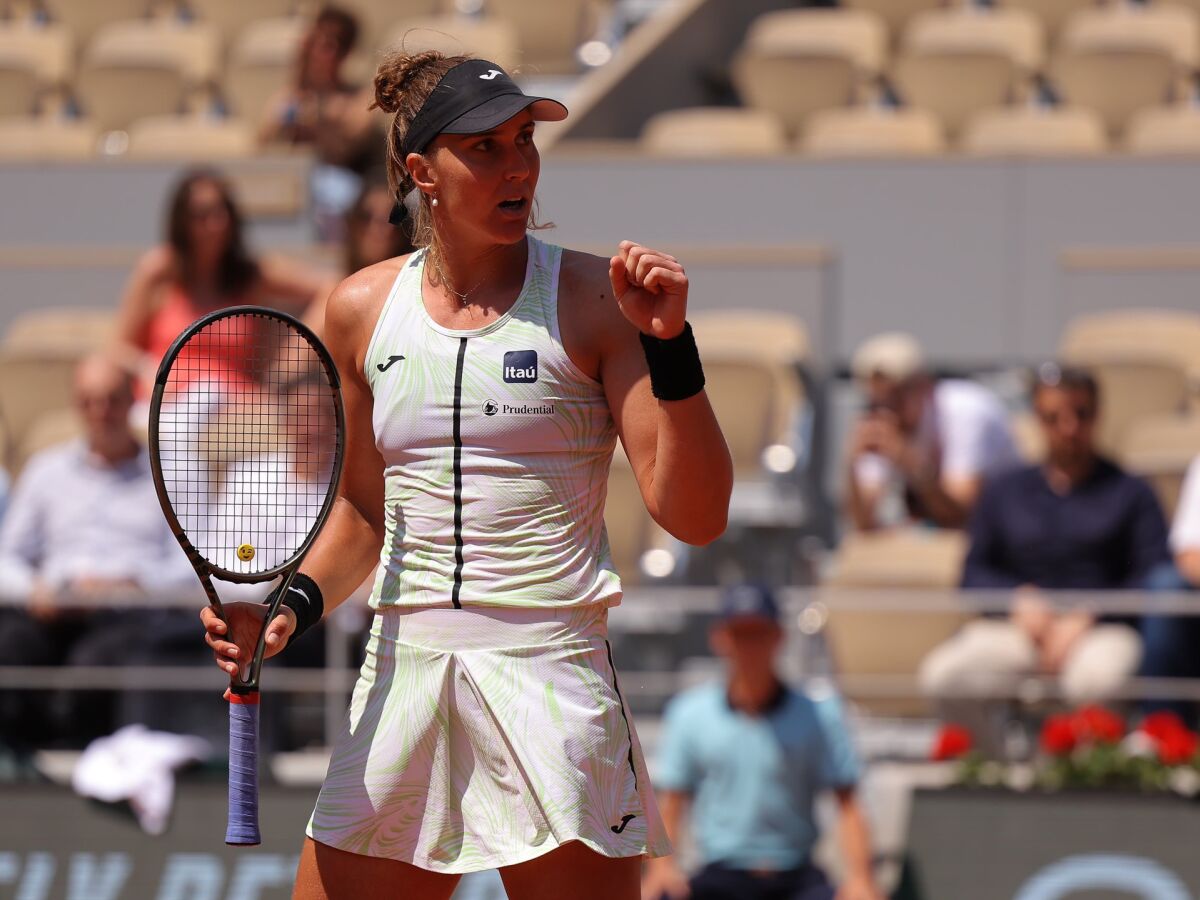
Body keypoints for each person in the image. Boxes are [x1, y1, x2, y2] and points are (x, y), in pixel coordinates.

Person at [200, 51, 733, 899]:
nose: (518, 163)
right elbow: (366, 521)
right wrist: (287, 610)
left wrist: (673, 347)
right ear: (423, 173)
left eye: (524, 140)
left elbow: (695, 515)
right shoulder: (358, 309)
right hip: (403, 675)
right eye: (485, 148)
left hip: (551, 679)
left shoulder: (599, 300)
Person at [919, 365, 1170, 707]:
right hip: (1017, 629)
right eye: (1054, 417)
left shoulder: (1131, 492)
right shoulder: (1005, 491)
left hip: (1101, 629)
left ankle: (1083, 763)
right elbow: (972, 573)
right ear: (1037, 418)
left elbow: (1152, 575)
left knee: (1096, 683)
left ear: (1098, 415)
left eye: (1081, 415)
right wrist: (1016, 600)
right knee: (945, 677)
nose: (1069, 428)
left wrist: (1091, 613)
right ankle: (996, 762)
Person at [0, 354, 195, 752]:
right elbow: (7, 557)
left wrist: (133, 584)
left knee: (94, 662)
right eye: (89, 401)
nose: (100, 412)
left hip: (134, 614)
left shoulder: (173, 472)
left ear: (131, 401)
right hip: (53, 608)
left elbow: (195, 562)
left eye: (111, 399)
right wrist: (37, 588)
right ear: (77, 406)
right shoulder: (46, 471)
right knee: (10, 646)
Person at [642, 584, 882, 900]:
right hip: (720, 876)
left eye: (758, 633)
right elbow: (671, 804)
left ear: (778, 637)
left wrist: (861, 878)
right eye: (740, 634)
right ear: (721, 638)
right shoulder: (690, 713)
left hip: (796, 877)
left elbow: (848, 804)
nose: (749, 646)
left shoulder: (819, 714)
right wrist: (661, 870)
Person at [114, 168, 337, 392]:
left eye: (221, 212)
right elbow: (118, 347)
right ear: (181, 222)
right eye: (201, 215)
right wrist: (148, 370)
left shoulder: (252, 273)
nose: (215, 224)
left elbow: (332, 286)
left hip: (235, 412)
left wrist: (291, 362)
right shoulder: (159, 270)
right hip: (168, 409)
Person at [844, 332, 1019, 532]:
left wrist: (910, 462)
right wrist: (851, 464)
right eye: (876, 402)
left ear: (924, 387)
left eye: (895, 399)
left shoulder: (967, 411)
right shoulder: (883, 421)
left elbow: (960, 514)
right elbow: (864, 523)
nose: (886, 410)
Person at [259, 5, 381, 241]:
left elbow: (343, 148)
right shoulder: (291, 97)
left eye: (331, 44)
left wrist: (318, 108)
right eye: (316, 42)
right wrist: (299, 82)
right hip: (295, 184)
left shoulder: (358, 98)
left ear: (345, 52)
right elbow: (262, 144)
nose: (321, 51)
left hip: (343, 192)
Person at [342, 178, 415, 276]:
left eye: (390, 219)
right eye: (365, 216)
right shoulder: (329, 288)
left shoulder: (416, 288)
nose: (374, 228)